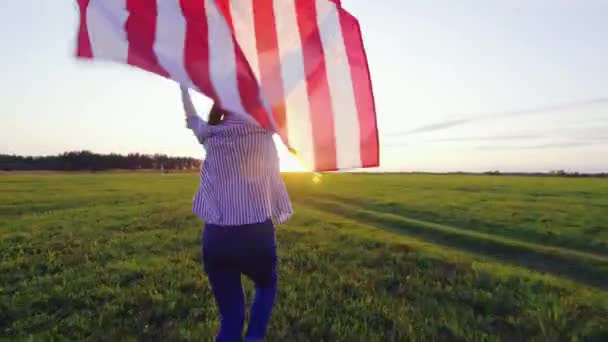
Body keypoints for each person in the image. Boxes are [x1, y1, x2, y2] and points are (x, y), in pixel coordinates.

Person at [180, 85, 293, 342]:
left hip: (217, 237)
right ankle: (254, 338)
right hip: (256, 234)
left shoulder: (209, 133)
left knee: (230, 318)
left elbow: (190, 115)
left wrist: (183, 85)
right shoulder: (265, 127)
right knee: (266, 285)